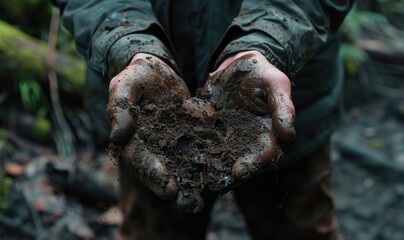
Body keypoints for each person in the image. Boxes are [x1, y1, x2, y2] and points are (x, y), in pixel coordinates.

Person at [51, 0, 353, 239]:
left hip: (280, 98)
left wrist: (266, 41)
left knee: (302, 228)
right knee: (151, 226)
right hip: (143, 112)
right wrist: (127, 43)